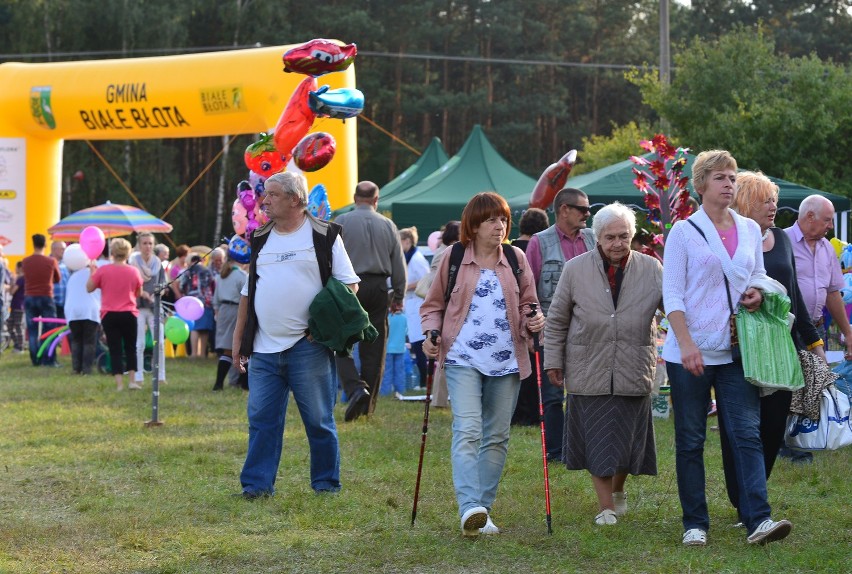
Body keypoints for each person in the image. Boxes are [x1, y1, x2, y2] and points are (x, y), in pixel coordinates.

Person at [662, 150, 791, 547]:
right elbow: (673, 295)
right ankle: (695, 523)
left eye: (733, 177)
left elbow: (758, 274)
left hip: (737, 351)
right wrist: (685, 345)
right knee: (690, 439)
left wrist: (755, 291)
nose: (729, 184)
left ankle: (758, 520)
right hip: (690, 353)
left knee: (746, 435)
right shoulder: (683, 232)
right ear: (701, 185)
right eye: (720, 177)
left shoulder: (750, 231)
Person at [421, 191, 544, 537]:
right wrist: (431, 333)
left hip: (508, 360)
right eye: (491, 219)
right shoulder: (455, 256)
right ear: (473, 226)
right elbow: (432, 305)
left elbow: (530, 304)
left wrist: (535, 320)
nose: (500, 225)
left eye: (503, 218)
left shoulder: (517, 258)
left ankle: (482, 512)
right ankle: (469, 507)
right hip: (462, 358)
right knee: (469, 429)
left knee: (497, 436)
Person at [232, 171, 359, 497]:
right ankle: (256, 488)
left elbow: (349, 285)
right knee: (261, 422)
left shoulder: (325, 235)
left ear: (295, 199)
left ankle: (326, 486)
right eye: (265, 194)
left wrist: (325, 329)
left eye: (272, 194)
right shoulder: (260, 237)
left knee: (318, 421)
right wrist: (238, 341)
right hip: (263, 349)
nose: (264, 200)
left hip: (309, 348)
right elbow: (249, 292)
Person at [544, 202, 662, 526]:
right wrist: (553, 360)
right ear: (597, 238)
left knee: (626, 441)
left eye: (623, 236)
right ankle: (606, 507)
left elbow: (674, 310)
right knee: (597, 440)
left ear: (632, 235)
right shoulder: (575, 269)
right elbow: (556, 320)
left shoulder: (652, 269)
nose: (617, 244)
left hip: (633, 363)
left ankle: (618, 489)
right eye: (610, 237)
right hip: (588, 364)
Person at [723, 172, 825, 513]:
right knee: (740, 429)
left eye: (774, 200)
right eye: (766, 200)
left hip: (781, 347)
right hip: (740, 347)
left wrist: (814, 343)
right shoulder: (728, 241)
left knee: (773, 425)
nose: (774, 206)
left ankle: (753, 493)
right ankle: (743, 500)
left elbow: (793, 294)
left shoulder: (781, 238)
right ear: (746, 202)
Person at [781, 193, 852, 463]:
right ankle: (782, 443)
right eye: (827, 220)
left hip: (816, 329)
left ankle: (803, 443)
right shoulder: (781, 241)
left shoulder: (825, 249)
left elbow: (834, 293)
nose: (830, 227)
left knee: (812, 387)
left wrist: (847, 332)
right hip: (786, 330)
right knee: (785, 387)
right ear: (809, 216)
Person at [526, 188, 595, 460]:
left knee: (588, 391)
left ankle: (583, 449)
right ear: (564, 209)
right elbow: (528, 289)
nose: (588, 214)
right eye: (583, 209)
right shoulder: (539, 242)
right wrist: (530, 329)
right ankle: (556, 451)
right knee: (553, 395)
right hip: (551, 330)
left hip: (589, 328)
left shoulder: (593, 238)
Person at [332, 181, 407, 421]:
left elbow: (329, 258)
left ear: (355, 198)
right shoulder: (388, 225)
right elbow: (399, 265)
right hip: (378, 287)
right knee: (374, 347)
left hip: (348, 286)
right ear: (377, 200)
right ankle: (368, 406)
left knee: (340, 341)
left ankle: (355, 388)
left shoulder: (341, 222)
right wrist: (398, 295)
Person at [510, 207, 550, 426]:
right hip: (534, 311)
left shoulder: (509, 250)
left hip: (512, 312)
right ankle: (534, 413)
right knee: (535, 367)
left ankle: (517, 413)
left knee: (516, 366)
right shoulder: (540, 250)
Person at [87, 238, 143, 391]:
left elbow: (89, 288)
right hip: (129, 313)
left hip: (109, 314)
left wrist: (92, 273)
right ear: (128, 253)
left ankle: (119, 384)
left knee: (115, 348)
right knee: (131, 347)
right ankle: (132, 381)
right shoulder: (134, 271)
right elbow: (139, 292)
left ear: (112, 252)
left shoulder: (103, 270)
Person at [423, 221, 460, 408]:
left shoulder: (448, 250)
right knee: (444, 355)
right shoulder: (446, 253)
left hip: (448, 309)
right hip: (445, 310)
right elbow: (437, 285)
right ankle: (438, 399)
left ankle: (440, 399)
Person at [129, 232, 166, 386]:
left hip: (154, 306)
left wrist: (158, 293)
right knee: (139, 344)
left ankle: (160, 375)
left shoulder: (158, 263)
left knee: (160, 343)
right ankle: (138, 376)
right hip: (137, 306)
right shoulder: (132, 263)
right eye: (145, 243)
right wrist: (141, 293)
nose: (148, 246)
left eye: (150, 243)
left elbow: (163, 284)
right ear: (139, 245)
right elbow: (129, 285)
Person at [22, 234, 60, 366]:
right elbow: (58, 278)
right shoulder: (51, 261)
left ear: (33, 245)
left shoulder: (25, 261)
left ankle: (35, 360)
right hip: (46, 297)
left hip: (29, 297)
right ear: (45, 245)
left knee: (32, 330)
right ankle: (48, 359)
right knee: (49, 329)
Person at [400, 226, 430, 392]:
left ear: (407, 241)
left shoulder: (417, 259)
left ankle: (425, 382)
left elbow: (425, 281)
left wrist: (404, 287)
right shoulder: (409, 257)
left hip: (417, 304)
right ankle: (423, 381)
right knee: (416, 344)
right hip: (411, 305)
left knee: (419, 345)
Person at [212, 252, 248, 391]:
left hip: (222, 310)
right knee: (237, 347)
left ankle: (230, 381)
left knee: (227, 348)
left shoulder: (221, 275)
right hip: (235, 310)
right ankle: (239, 383)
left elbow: (215, 298)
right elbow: (246, 296)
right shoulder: (241, 276)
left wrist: (217, 311)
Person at [65, 255, 101, 375]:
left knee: (76, 340)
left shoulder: (73, 276)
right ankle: (87, 369)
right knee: (89, 341)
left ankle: (76, 368)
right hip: (90, 310)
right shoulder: (96, 274)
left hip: (73, 311)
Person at [180, 253, 215, 358]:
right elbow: (212, 284)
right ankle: (203, 354)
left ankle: (194, 353)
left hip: (191, 301)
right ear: (202, 260)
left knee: (194, 328)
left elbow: (182, 286)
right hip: (206, 302)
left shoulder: (187, 272)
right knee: (204, 329)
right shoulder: (207, 271)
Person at [380, 310, 408, 398]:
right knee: (399, 372)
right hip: (400, 348)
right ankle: (400, 390)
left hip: (388, 349)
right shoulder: (404, 318)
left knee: (387, 372)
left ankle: (385, 392)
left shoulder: (387, 318)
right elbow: (406, 331)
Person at [6, 261, 25, 353]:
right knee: (10, 325)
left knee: (18, 325)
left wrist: (12, 283)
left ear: (20, 268)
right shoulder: (20, 278)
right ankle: (17, 344)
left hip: (19, 306)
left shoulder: (21, 279)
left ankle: (20, 346)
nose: (15, 269)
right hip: (15, 305)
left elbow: (12, 291)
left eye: (16, 267)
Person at [50, 240, 69, 319]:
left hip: (64, 302)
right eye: (62, 249)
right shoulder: (48, 262)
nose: (64, 251)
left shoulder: (67, 263)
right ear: (54, 249)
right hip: (52, 302)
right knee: (52, 328)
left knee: (62, 328)